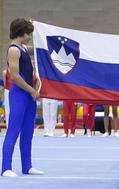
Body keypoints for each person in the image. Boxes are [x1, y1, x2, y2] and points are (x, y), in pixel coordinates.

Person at [2, 18, 44, 177]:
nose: (29, 37)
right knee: (14, 130)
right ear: (22, 32)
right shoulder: (14, 50)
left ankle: (27, 166)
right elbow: (15, 76)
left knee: (28, 132)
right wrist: (31, 90)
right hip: (19, 94)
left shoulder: (24, 48)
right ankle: (6, 167)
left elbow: (39, 49)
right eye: (29, 33)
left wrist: (41, 30)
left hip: (29, 94)